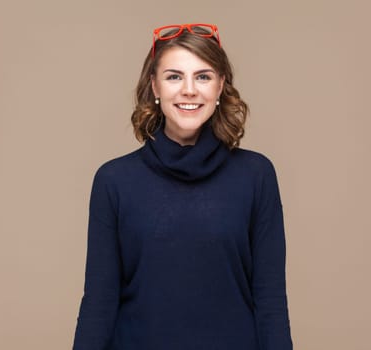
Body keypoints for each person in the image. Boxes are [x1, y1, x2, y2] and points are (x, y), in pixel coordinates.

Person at [73, 23, 293, 350]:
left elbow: (270, 298)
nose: (189, 90)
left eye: (202, 76)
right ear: (154, 86)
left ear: (220, 86)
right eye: (174, 76)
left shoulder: (256, 175)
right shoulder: (114, 180)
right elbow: (100, 302)